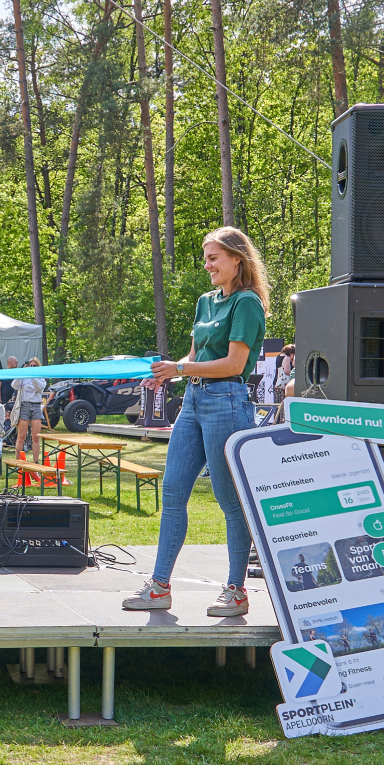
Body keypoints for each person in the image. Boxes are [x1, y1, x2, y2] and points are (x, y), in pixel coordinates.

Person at [123, 226, 268, 617]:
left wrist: (180, 368)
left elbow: (235, 364)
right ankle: (159, 587)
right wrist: (166, 373)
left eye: (213, 258)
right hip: (193, 401)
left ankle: (236, 591)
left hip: (228, 402)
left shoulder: (247, 303)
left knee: (228, 500)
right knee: (172, 493)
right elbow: (193, 356)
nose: (207, 266)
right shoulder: (205, 302)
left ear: (236, 259)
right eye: (206, 258)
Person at [12, 358, 48, 456]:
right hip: (24, 405)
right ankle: (17, 463)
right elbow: (14, 386)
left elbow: (39, 388)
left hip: (36, 406)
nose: (32, 367)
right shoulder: (24, 376)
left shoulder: (40, 378)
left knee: (35, 437)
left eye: (34, 366)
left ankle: (35, 463)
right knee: (21, 436)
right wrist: (22, 373)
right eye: (30, 366)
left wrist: (33, 376)